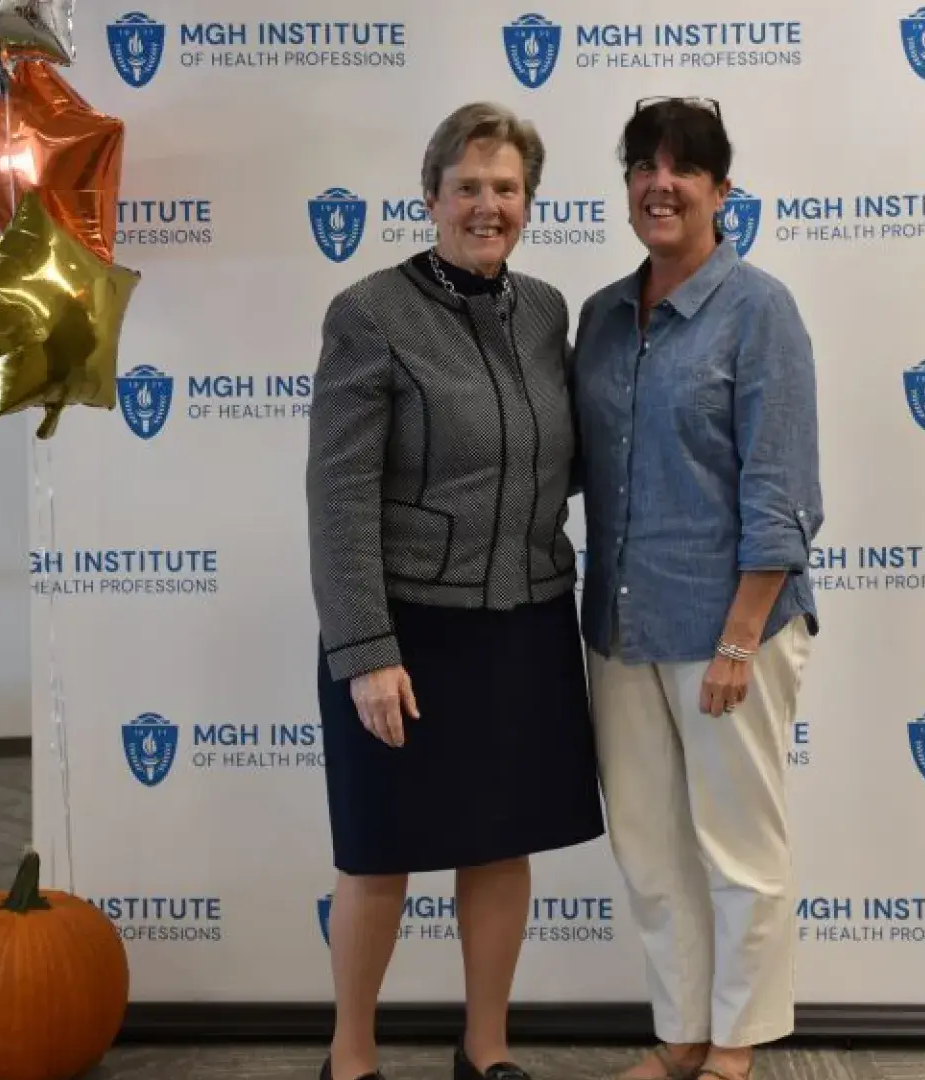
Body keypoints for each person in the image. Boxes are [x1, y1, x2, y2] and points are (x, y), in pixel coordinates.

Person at [305, 101, 605, 1080]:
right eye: (469, 186)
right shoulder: (369, 314)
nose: (489, 205)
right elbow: (339, 495)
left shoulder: (549, 310)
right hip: (408, 633)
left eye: (507, 188)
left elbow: (550, 456)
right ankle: (350, 1058)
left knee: (501, 847)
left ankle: (486, 1052)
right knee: (380, 854)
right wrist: (365, 652)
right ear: (431, 196)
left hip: (523, 622)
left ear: (529, 202)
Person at [570, 97, 824, 1080]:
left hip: (732, 632)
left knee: (738, 849)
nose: (659, 184)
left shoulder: (760, 310)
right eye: (642, 165)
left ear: (723, 190)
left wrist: (739, 637)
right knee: (648, 850)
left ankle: (737, 1045)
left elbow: (782, 488)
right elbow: (571, 464)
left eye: (684, 168)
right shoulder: (598, 317)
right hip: (621, 633)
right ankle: (678, 1036)